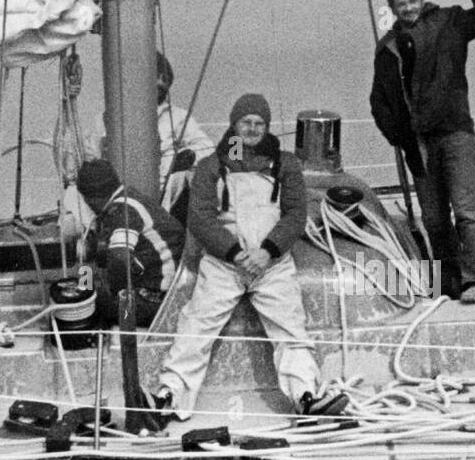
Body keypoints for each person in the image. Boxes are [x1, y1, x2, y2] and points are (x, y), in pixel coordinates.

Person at [151, 94, 348, 420]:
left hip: (271, 265)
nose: (253, 128)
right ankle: (170, 394)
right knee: (195, 327)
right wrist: (235, 253)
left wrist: (267, 251)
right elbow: (200, 218)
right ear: (234, 124)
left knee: (291, 330)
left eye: (260, 123)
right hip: (223, 264)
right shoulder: (211, 166)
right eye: (247, 122)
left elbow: (295, 215)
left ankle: (306, 396)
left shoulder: (286, 165)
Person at [370, 0, 475, 304]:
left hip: (455, 131)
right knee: (434, 219)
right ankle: (448, 281)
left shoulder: (450, 22)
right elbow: (378, 101)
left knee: (466, 210)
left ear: (422, 0)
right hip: (418, 145)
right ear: (393, 9)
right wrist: (397, 134)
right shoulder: (387, 48)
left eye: (413, 1)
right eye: (401, 4)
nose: (409, 8)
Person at [89, 52, 215, 215]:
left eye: (164, 80)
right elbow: (89, 155)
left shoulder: (178, 117)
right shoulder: (105, 119)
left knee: (188, 172)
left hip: (162, 189)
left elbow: (207, 147)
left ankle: (157, 219)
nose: (160, 83)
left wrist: (187, 156)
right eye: (155, 77)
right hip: (115, 190)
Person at [76, 158, 184, 327]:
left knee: (88, 301)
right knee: (91, 287)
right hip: (169, 291)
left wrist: (113, 293)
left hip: (156, 303)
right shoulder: (131, 197)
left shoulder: (121, 211)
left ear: (91, 198)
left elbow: (120, 258)